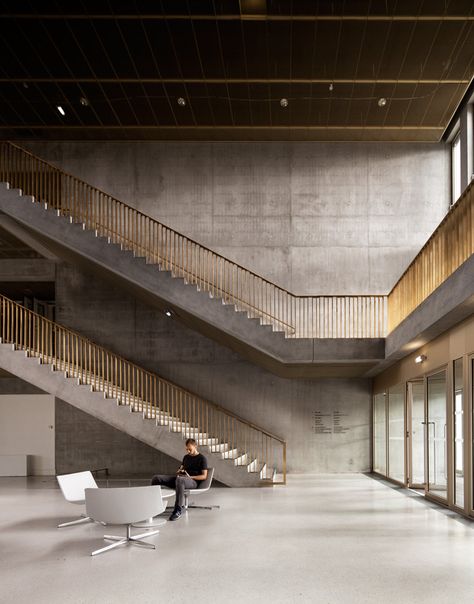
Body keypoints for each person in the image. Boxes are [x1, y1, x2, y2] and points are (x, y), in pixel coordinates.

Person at [151, 438, 208, 521]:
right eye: (187, 449)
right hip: (181, 480)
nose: (188, 451)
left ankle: (177, 510)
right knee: (156, 478)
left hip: (193, 482)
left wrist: (190, 477)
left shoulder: (202, 458)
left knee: (180, 480)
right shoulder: (186, 457)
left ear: (195, 446)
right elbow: (180, 469)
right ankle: (154, 506)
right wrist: (179, 471)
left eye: (190, 449)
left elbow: (204, 476)